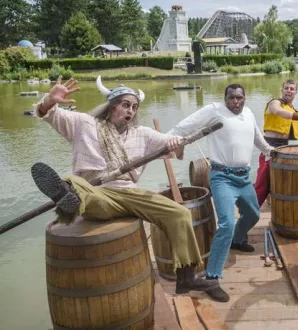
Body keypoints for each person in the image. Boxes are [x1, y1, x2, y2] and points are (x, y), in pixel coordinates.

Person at [30, 76, 218, 297]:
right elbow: (51, 115)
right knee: (79, 188)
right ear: (112, 106)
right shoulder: (84, 124)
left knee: (179, 214)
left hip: (129, 192)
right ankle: (67, 194)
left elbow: (170, 144)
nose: (131, 110)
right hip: (96, 192)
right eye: (126, 105)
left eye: (135, 107)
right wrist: (49, 101)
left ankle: (187, 277)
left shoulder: (142, 134)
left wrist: (176, 144)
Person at [167, 84, 274, 302]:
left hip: (244, 177)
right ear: (225, 98)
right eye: (232, 98)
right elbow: (185, 126)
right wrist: (169, 139)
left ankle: (236, 240)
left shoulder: (249, 113)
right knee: (226, 223)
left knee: (253, 214)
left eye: (240, 98)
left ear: (245, 98)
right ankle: (212, 277)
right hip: (222, 177)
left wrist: (270, 151)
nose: (236, 102)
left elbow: (257, 138)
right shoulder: (214, 110)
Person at [253, 79, 298, 206]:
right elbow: (279, 112)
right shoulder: (274, 103)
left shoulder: (294, 112)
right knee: (262, 184)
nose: (289, 91)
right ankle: (249, 212)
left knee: (281, 181)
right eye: (286, 88)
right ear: (282, 90)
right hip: (268, 147)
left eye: (292, 89)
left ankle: (274, 204)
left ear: (295, 93)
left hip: (284, 149)